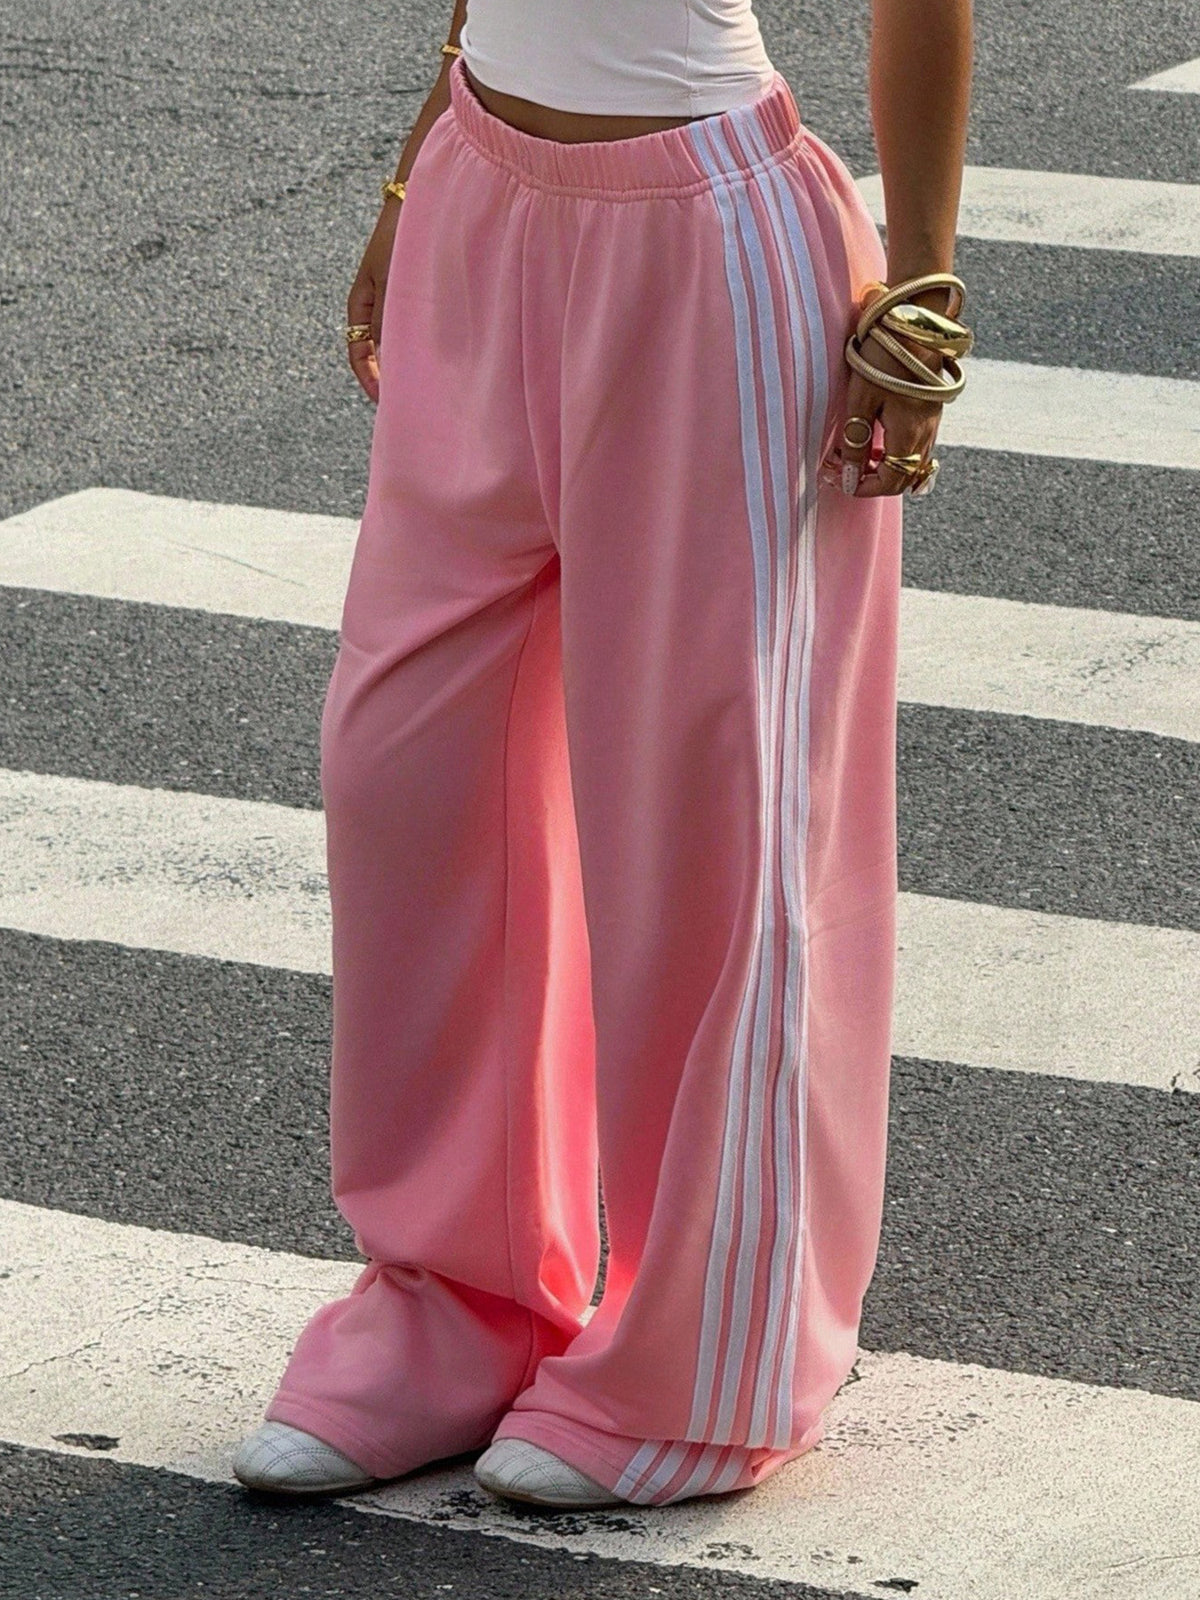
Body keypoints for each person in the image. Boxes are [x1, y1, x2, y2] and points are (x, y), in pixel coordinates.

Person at [232, 0, 974, 1509]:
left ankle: (705, 1363)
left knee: (709, 830)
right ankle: (453, 1308)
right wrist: (409, 175)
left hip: (710, 243)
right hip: (479, 196)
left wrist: (928, 279)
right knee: (413, 781)